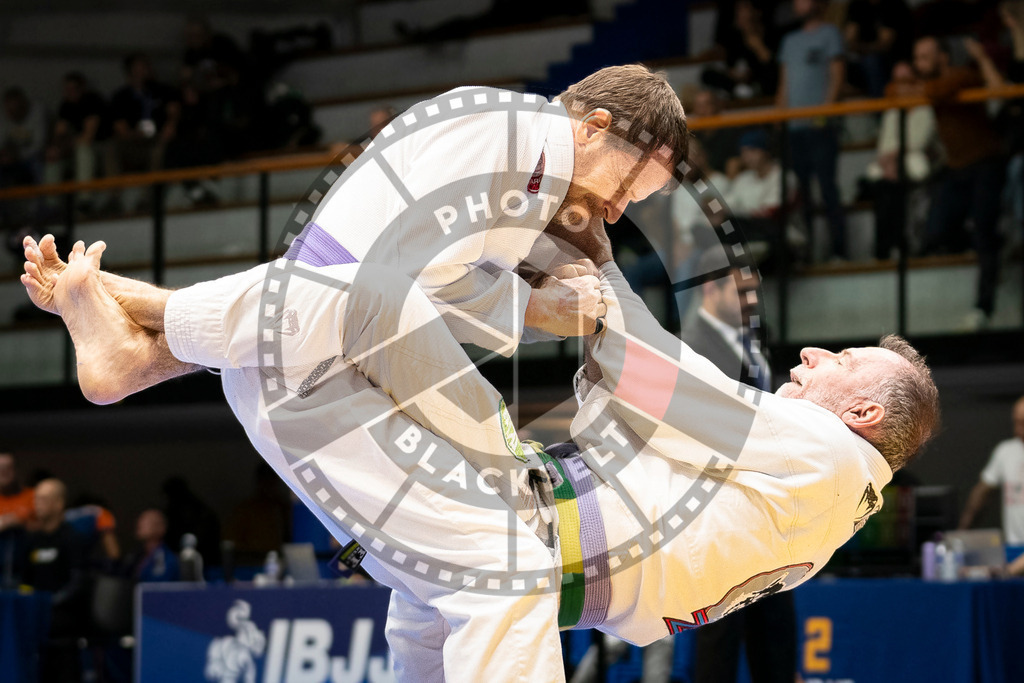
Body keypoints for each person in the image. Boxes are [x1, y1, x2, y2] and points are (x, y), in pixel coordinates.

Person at [21, 223, 939, 682]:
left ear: (863, 408)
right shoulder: (822, 493)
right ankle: (128, 326)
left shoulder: (822, 452)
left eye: (838, 359)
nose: (812, 355)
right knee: (286, 362)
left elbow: (659, 383)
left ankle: (130, 323)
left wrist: (600, 272)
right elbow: (638, 400)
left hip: (515, 551)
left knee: (359, 304)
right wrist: (594, 297)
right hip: (524, 558)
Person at [681, 257, 797, 683]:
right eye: (741, 290)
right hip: (722, 508)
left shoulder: (749, 343)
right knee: (721, 637)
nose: (753, 300)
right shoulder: (693, 345)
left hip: (769, 509)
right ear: (710, 290)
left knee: (775, 633)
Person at [895, 36, 1006, 330]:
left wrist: (916, 87)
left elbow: (941, 87)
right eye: (916, 58)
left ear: (943, 57)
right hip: (957, 168)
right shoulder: (932, 85)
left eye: (925, 57)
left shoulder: (961, 75)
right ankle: (996, 242)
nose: (919, 64)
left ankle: (983, 306)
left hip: (985, 163)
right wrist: (915, 87)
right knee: (936, 232)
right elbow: (892, 89)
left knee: (984, 235)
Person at [776, 0, 848, 261]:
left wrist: (825, 114)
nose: (799, 4)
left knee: (828, 188)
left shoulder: (830, 33)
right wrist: (779, 116)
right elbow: (784, 83)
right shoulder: (790, 41)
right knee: (801, 193)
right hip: (794, 127)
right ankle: (808, 255)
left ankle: (839, 249)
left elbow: (837, 76)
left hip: (820, 126)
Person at [864, 62, 938, 260]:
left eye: (906, 81)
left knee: (894, 185)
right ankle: (887, 247)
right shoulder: (892, 112)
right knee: (885, 186)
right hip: (892, 167)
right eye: (897, 81)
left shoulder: (925, 108)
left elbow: (919, 142)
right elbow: (883, 147)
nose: (901, 87)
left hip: (915, 163)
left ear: (916, 82)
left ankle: (897, 244)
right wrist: (890, 162)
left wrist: (893, 158)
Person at [21, 478, 88, 683]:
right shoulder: (32, 540)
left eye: (43, 499)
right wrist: (30, 603)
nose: (37, 503)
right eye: (36, 499)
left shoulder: (73, 539)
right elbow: (25, 581)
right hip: (35, 622)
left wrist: (48, 603)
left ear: (59, 504)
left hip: (64, 625)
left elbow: (78, 584)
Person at [105, 53, 181, 211]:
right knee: (111, 147)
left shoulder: (163, 90)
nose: (142, 72)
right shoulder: (121, 96)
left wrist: (170, 126)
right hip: (134, 144)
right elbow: (121, 129)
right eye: (137, 68)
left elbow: (173, 113)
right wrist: (135, 134)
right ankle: (113, 197)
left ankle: (146, 200)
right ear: (129, 71)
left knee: (159, 150)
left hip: (158, 141)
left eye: (145, 67)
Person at [958, 396, 1024, 545]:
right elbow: (981, 494)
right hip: (1015, 548)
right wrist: (961, 534)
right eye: (1016, 422)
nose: (1017, 430)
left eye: (1023, 424)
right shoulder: (1006, 452)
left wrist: (1010, 570)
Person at [43, 72, 107, 212]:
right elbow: (59, 134)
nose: (70, 93)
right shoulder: (65, 106)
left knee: (83, 151)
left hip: (99, 150)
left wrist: (66, 145)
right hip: (73, 150)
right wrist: (56, 149)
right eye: (67, 89)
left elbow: (87, 137)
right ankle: (51, 205)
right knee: (53, 156)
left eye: (74, 89)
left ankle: (85, 200)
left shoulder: (92, 101)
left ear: (82, 88)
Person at [843, 0, 913, 97]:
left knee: (872, 61)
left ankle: (879, 108)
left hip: (893, 60)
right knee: (838, 60)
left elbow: (884, 45)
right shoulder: (857, 5)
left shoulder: (894, 5)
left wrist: (859, 47)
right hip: (861, 59)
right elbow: (849, 40)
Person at [125, 508, 180, 582]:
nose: (140, 524)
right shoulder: (135, 556)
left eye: (147, 521)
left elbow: (156, 588)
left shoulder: (165, 559)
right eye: (140, 519)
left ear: (160, 528)